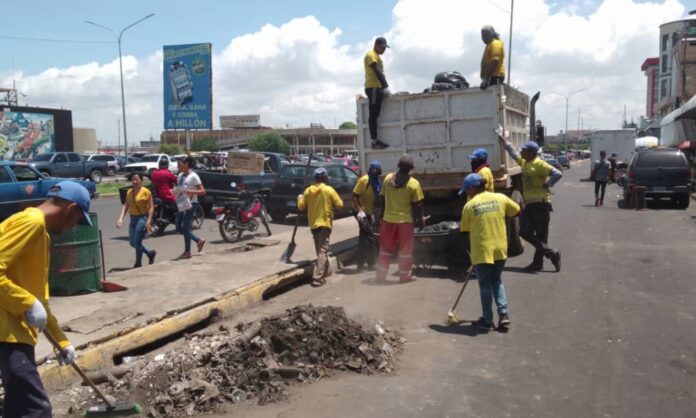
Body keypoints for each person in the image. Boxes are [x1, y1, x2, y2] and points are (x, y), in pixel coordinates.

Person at [0, 181, 90, 417]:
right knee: (36, 409)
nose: (73, 227)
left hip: (16, 332)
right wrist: (25, 303)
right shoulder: (31, 222)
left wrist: (61, 342)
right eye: (77, 220)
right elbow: (31, 301)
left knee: (18, 407)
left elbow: (39, 298)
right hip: (7, 332)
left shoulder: (42, 236)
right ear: (71, 209)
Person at [460, 173, 520, 331]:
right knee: (497, 281)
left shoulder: (470, 206)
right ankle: (504, 315)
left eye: (467, 190)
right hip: (500, 249)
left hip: (482, 251)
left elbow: (465, 232)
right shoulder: (500, 198)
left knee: (485, 285)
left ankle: (487, 320)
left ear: (473, 188)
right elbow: (517, 211)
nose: (467, 193)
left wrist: (471, 256)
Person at [499, 137, 563, 272]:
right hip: (530, 205)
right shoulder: (524, 163)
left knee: (541, 236)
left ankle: (537, 263)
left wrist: (548, 183)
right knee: (524, 232)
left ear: (532, 153)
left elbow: (557, 173)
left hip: (541, 204)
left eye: (524, 150)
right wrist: (504, 141)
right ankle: (552, 253)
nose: (521, 151)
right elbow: (513, 152)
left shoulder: (539, 164)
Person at [375, 154, 425, 282]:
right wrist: (420, 220)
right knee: (405, 251)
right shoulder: (414, 184)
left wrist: (380, 216)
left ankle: (381, 276)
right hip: (405, 223)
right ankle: (404, 276)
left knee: (385, 249)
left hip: (388, 220)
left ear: (398, 166)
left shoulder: (387, 179)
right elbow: (417, 205)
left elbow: (382, 199)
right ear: (411, 169)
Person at [298, 167, 344, 286]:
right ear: (324, 177)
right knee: (323, 250)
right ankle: (317, 277)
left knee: (320, 250)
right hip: (325, 224)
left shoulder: (308, 191)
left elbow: (301, 207)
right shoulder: (328, 190)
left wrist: (299, 198)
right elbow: (340, 205)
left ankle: (326, 272)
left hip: (313, 224)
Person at [117, 173, 156, 268]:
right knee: (132, 243)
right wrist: (121, 218)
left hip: (142, 219)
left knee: (137, 242)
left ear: (141, 181)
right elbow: (126, 205)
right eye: (133, 180)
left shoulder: (146, 192)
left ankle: (138, 263)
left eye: (136, 180)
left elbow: (151, 207)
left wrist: (148, 221)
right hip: (132, 218)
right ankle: (150, 253)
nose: (134, 182)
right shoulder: (129, 192)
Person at [175, 156, 206, 259]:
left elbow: (202, 191)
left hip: (191, 204)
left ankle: (187, 252)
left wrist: (190, 191)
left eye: (180, 164)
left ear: (187, 164)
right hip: (181, 203)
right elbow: (179, 188)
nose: (178, 166)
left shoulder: (194, 176)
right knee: (178, 227)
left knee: (185, 226)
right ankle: (198, 240)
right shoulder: (179, 175)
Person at [352, 161, 382, 270]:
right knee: (369, 236)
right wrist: (359, 209)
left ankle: (360, 264)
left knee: (363, 238)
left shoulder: (377, 182)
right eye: (373, 169)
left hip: (368, 212)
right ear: (370, 170)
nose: (375, 172)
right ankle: (372, 263)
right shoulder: (364, 180)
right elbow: (354, 195)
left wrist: (375, 213)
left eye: (377, 170)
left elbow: (376, 197)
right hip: (360, 212)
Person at [364, 37, 390, 149]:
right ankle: (374, 141)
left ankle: (375, 139)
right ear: (375, 44)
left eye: (385, 48)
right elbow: (377, 71)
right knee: (373, 114)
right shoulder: (371, 55)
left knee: (377, 114)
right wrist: (386, 86)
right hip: (373, 87)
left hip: (378, 88)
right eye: (382, 47)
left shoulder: (377, 56)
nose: (383, 50)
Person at [479, 25, 505, 90]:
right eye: (482, 35)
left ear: (492, 34)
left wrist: (486, 78)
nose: (484, 37)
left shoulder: (495, 43)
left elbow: (495, 60)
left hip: (495, 76)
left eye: (486, 35)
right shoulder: (489, 45)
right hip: (490, 77)